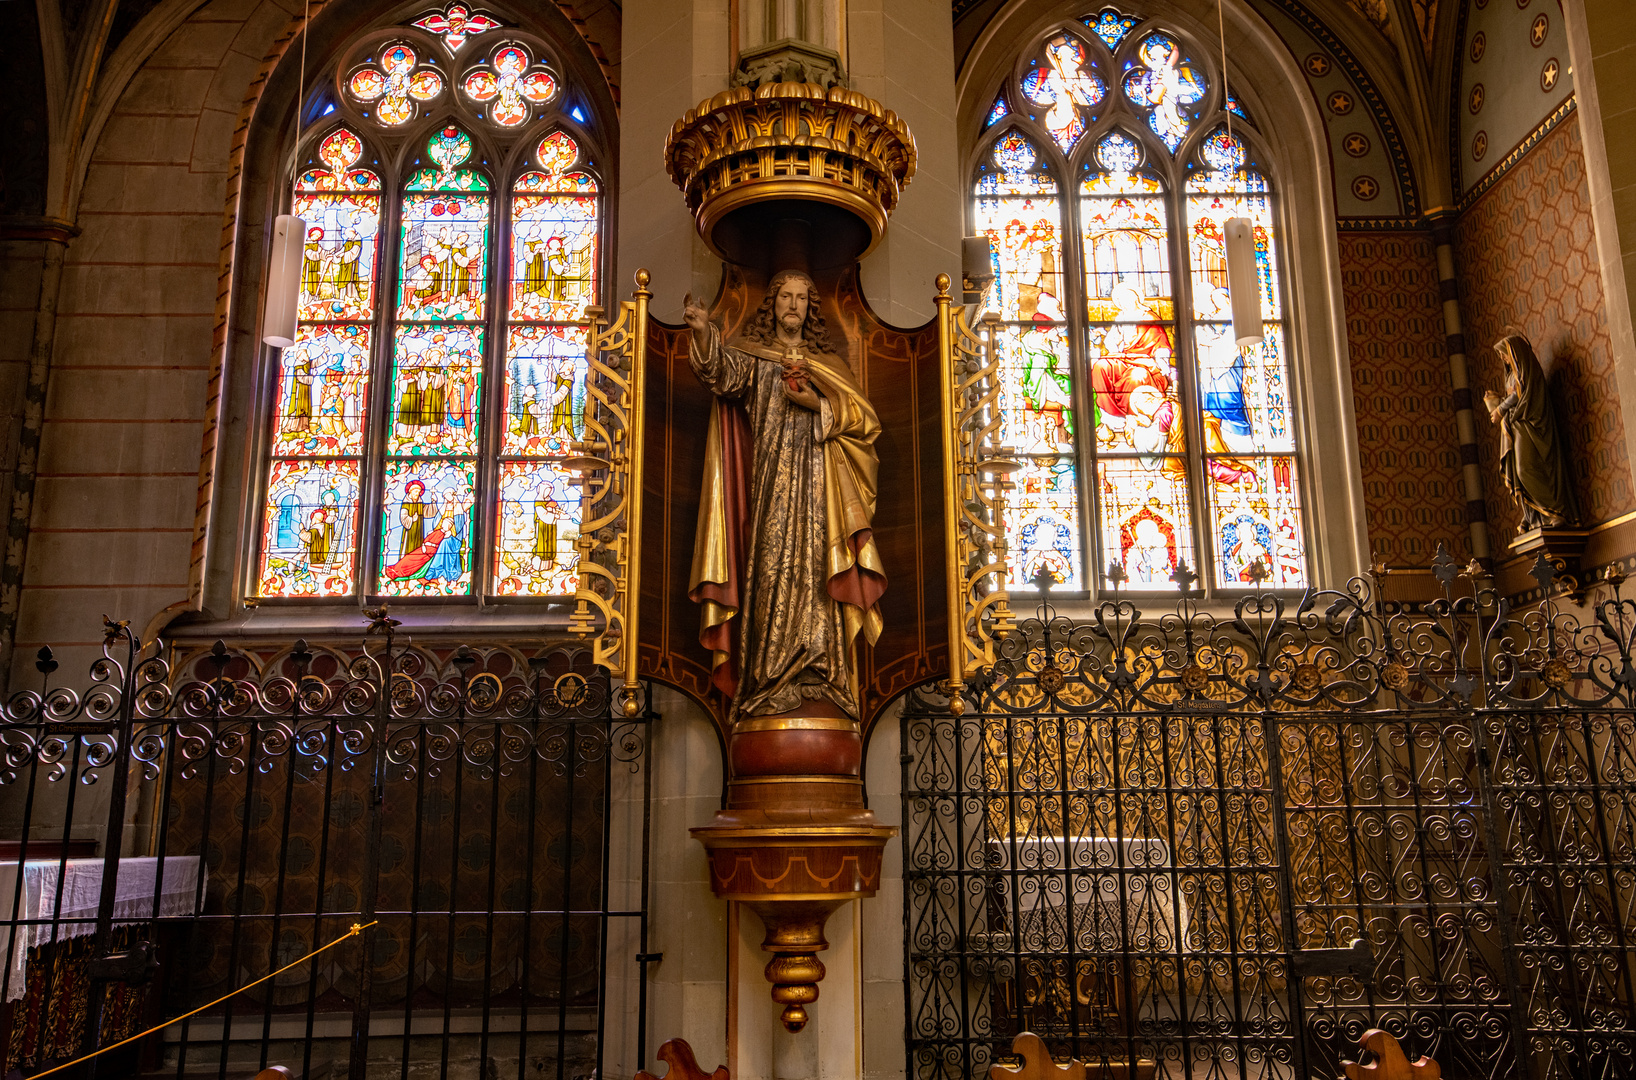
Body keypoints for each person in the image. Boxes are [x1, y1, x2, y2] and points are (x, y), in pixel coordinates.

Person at [682, 271, 886, 719]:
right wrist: (702, 334)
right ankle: (767, 677)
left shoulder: (829, 364)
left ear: (809, 309)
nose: (792, 305)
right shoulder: (754, 359)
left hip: (820, 492)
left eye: (800, 298)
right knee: (772, 567)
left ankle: (822, 674)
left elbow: (865, 422)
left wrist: (817, 403)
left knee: (819, 570)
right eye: (785, 298)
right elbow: (719, 375)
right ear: (772, 305)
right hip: (770, 484)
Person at [1484, 331, 1578, 531]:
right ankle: (1533, 514)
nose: (1503, 358)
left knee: (1525, 469)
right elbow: (1513, 398)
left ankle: (1554, 509)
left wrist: (1500, 408)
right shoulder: (1510, 375)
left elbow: (1522, 393)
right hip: (1517, 426)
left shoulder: (1527, 371)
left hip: (1531, 425)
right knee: (1518, 472)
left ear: (1515, 352)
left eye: (1505, 353)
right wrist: (1496, 402)